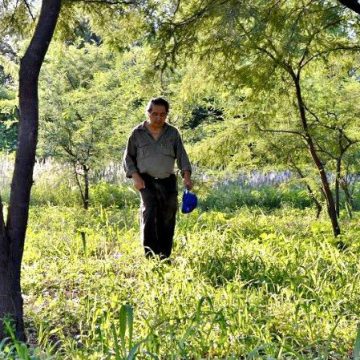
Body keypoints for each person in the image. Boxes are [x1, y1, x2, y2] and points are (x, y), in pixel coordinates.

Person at [123, 97, 193, 259]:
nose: (158, 118)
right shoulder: (137, 133)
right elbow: (128, 158)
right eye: (155, 114)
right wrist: (135, 177)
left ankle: (164, 256)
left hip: (168, 181)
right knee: (150, 213)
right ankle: (150, 256)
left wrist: (187, 177)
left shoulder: (173, 133)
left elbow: (182, 156)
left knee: (167, 217)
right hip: (146, 181)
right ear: (148, 113)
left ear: (167, 115)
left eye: (162, 114)